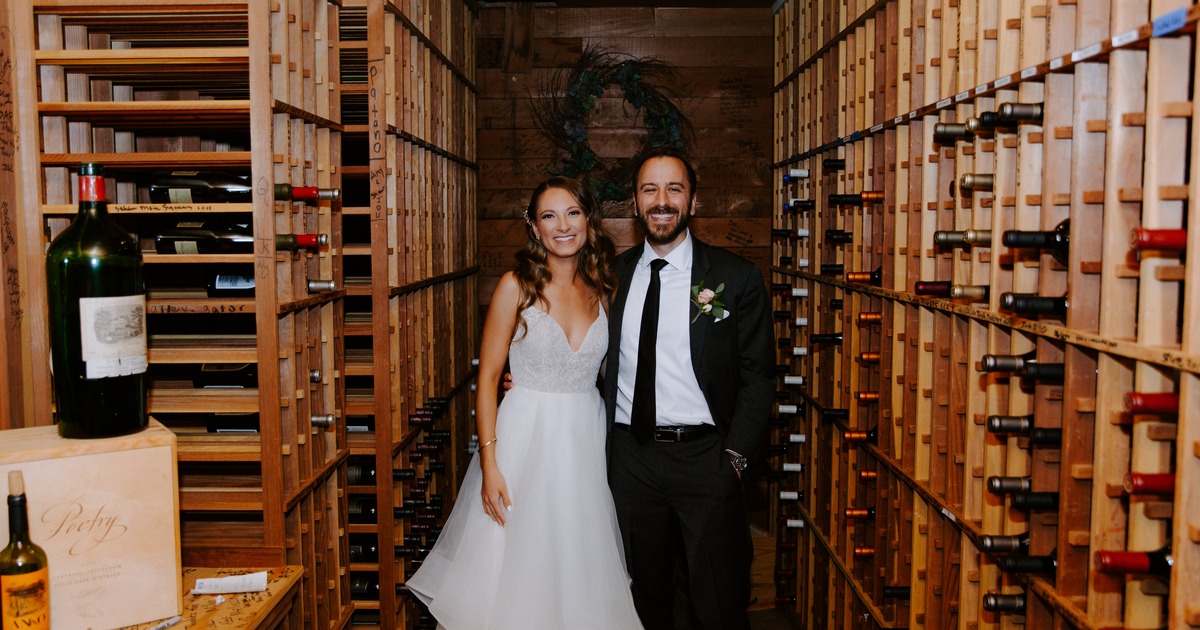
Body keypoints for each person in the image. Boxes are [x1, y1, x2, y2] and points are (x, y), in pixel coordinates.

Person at [406, 177, 644, 629]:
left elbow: (614, 375)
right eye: (549, 216)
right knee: (515, 567)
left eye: (572, 213)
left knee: (577, 559)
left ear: (588, 221)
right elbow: (490, 377)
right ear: (534, 229)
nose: (562, 226)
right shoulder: (515, 287)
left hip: (584, 444)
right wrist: (490, 465)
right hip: (523, 441)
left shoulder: (603, 289)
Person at [602, 147, 774, 630]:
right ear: (635, 205)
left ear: (692, 202)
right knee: (640, 601)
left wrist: (735, 459)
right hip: (631, 459)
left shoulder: (735, 278)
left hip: (707, 459)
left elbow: (758, 376)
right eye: (649, 190)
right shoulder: (611, 277)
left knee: (718, 601)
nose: (662, 201)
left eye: (673, 189)